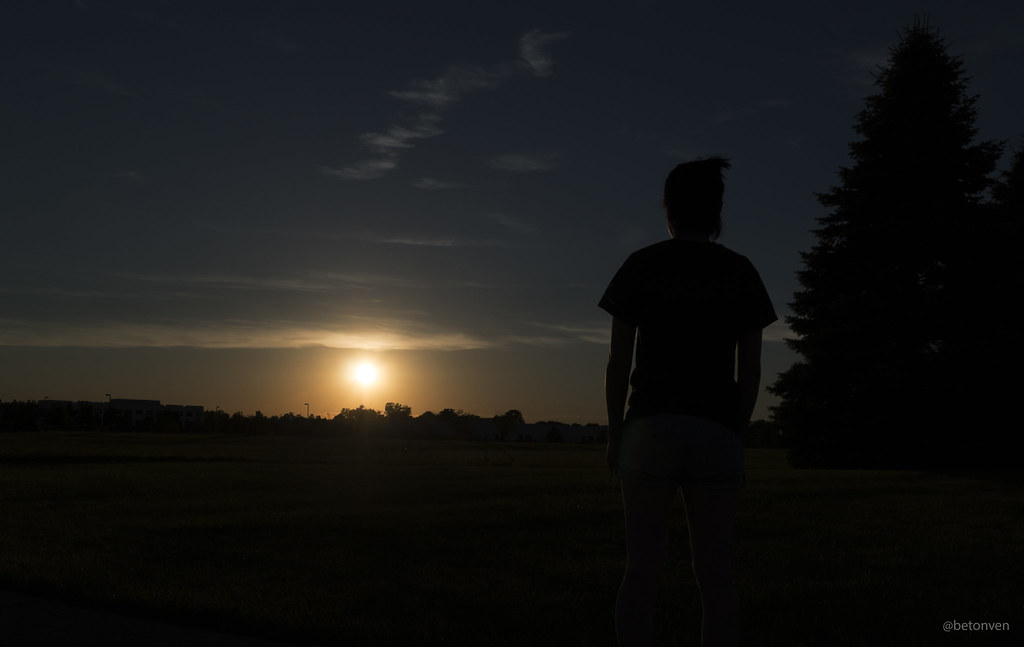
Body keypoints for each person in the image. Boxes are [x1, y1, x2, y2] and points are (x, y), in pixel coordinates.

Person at [599, 157, 776, 647]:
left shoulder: (641, 265)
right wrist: (735, 432)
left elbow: (618, 362)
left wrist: (615, 432)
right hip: (714, 430)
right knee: (716, 577)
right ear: (717, 211)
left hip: (649, 429)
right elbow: (751, 370)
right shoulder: (740, 271)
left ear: (669, 208)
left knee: (640, 572)